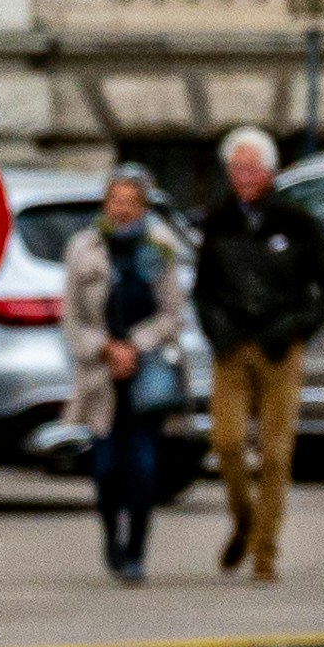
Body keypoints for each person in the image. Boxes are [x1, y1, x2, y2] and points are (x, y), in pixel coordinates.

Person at [187, 124, 324, 584]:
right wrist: (219, 332)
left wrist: (295, 328)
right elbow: (204, 291)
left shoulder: (297, 222)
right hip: (233, 346)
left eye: (254, 167)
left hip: (280, 347)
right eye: (237, 167)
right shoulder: (218, 222)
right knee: (227, 443)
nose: (245, 175)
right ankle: (244, 521)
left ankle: (265, 552)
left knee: (276, 454)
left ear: (270, 171)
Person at [57, 165, 198, 585]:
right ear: (106, 203)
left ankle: (136, 548)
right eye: (115, 200)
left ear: (142, 206)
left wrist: (135, 345)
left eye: (130, 202)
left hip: (145, 373)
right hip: (101, 376)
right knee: (104, 468)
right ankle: (110, 539)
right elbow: (72, 319)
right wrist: (105, 347)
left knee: (141, 466)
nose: (122, 209)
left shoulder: (160, 248)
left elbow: (172, 315)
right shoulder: (84, 248)